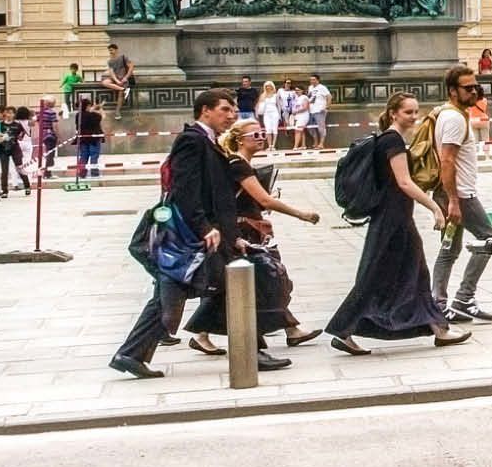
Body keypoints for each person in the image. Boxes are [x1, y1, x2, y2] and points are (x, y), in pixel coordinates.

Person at [111, 89, 279, 379]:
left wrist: (231, 234)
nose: (231, 115)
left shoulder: (208, 142)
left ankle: (131, 353)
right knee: (217, 290)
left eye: (233, 110)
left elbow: (216, 193)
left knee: (195, 293)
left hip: (211, 234)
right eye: (225, 110)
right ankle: (251, 352)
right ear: (205, 111)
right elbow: (185, 190)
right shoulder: (191, 141)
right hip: (196, 237)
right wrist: (206, 228)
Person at [326, 92, 473, 355]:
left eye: (416, 112)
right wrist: (434, 207)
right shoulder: (392, 140)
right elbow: (404, 182)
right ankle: (343, 328)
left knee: (413, 274)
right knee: (376, 277)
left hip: (393, 217)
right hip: (394, 220)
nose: (414, 117)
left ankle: (439, 329)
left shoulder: (389, 139)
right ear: (394, 113)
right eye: (408, 112)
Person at [185, 120, 323, 354]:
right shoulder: (239, 164)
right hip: (241, 233)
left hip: (244, 230)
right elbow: (265, 200)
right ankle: (287, 330)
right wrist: (302, 214)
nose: (261, 137)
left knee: (245, 283)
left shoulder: (241, 163)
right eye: (255, 134)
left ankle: (206, 334)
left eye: (262, 133)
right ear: (240, 139)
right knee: (268, 278)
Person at [430, 67, 492, 324]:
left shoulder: (451, 115)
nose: (474, 91)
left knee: (449, 248)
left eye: (475, 86)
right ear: (453, 91)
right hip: (460, 195)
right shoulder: (455, 119)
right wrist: (454, 201)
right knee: (489, 239)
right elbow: (447, 161)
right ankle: (462, 299)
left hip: (452, 194)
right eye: (468, 88)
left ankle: (440, 303)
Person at [0, 106, 34, 196]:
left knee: (19, 167)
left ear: (14, 114)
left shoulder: (17, 125)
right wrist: (1, 138)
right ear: (4, 114)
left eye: (11, 113)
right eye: (7, 113)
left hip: (15, 148)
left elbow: (22, 135)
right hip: (3, 149)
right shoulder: (0, 124)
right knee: (4, 170)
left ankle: (27, 186)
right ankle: (4, 191)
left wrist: (13, 137)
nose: (9, 115)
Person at [74, 94, 106, 179]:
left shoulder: (78, 115)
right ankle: (94, 173)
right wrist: (100, 108)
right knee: (94, 155)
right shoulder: (93, 115)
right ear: (87, 106)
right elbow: (103, 116)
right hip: (94, 139)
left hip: (83, 138)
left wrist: (93, 109)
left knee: (83, 155)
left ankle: (81, 173)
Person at [101, 43, 134, 116]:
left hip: (124, 79)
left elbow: (131, 67)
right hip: (116, 79)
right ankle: (121, 89)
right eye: (109, 50)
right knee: (105, 82)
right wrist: (116, 81)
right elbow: (112, 72)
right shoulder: (110, 61)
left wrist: (125, 78)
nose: (110, 52)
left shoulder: (123, 57)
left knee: (120, 96)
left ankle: (117, 111)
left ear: (116, 50)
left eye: (111, 50)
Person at [305, 73, 331, 150]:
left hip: (319, 110)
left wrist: (326, 107)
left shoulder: (322, 88)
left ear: (318, 80)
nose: (312, 81)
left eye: (314, 80)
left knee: (321, 127)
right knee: (310, 128)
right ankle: (315, 142)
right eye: (311, 80)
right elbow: (309, 97)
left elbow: (329, 96)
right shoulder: (310, 88)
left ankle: (321, 143)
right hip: (311, 111)